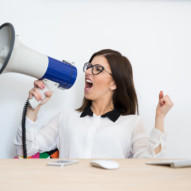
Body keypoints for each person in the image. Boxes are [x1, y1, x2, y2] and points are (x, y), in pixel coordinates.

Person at [14, 49, 174, 158]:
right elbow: (24, 150)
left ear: (114, 83)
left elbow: (147, 165)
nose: (88, 71)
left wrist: (160, 119)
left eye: (97, 69)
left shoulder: (131, 123)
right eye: (89, 66)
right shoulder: (66, 117)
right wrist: (32, 109)